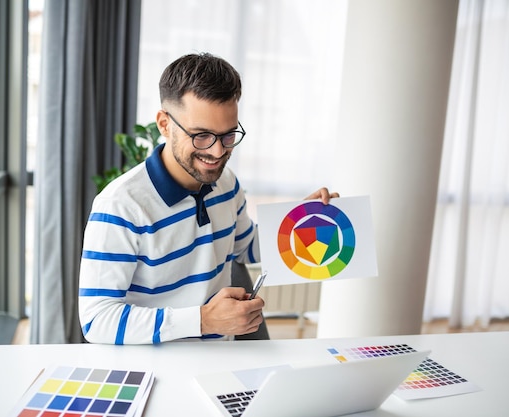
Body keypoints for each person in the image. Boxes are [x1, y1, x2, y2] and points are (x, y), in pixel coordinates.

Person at [78, 52, 338, 344]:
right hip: (154, 371)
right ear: (164, 124)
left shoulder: (226, 183)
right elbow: (97, 319)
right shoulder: (121, 206)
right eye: (201, 135)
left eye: (228, 136)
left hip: (220, 361)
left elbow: (246, 247)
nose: (217, 152)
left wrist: (301, 220)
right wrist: (203, 320)